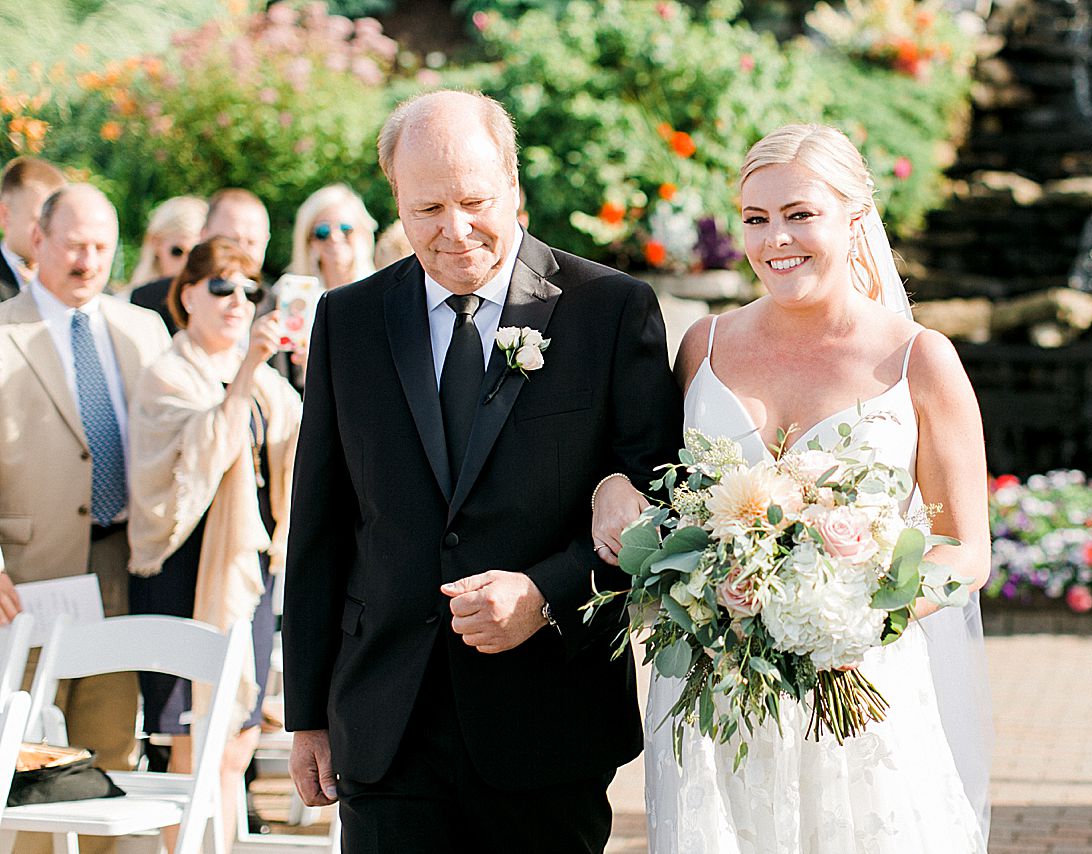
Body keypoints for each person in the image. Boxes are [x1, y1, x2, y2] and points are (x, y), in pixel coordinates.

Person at [282, 90, 682, 854]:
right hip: (385, 725)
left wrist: (545, 593)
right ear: (395, 201)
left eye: (475, 201)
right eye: (427, 207)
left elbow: (661, 506)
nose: (455, 231)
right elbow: (322, 527)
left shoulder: (610, 310)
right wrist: (307, 712)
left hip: (545, 721)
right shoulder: (349, 319)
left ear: (515, 188)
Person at [592, 124, 994, 851]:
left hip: (860, 690)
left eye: (800, 213)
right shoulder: (702, 347)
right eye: (756, 218)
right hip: (716, 698)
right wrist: (614, 492)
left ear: (855, 217)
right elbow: (661, 491)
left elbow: (966, 550)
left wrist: (856, 613)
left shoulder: (919, 361)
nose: (776, 238)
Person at [0, 184, 170, 854]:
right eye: (75, 245)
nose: (88, 260)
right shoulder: (3, 333)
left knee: (107, 755)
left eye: (102, 246)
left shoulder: (141, 329)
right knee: (29, 759)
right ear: (38, 239)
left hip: (121, 569)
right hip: (27, 581)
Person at [127, 236, 300, 852]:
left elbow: (304, 452)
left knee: (236, 744)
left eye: (250, 289)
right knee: (188, 749)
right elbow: (194, 463)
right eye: (222, 287)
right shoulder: (166, 373)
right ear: (187, 295)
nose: (238, 302)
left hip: (244, 571)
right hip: (181, 572)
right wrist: (251, 370)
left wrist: (306, 366)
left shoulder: (265, 379)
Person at [131, 188, 272, 334]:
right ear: (204, 236)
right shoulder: (150, 301)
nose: (241, 251)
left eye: (252, 242)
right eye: (232, 240)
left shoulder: (275, 307)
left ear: (266, 243)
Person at [285, 183, 376, 290]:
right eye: (323, 231)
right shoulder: (288, 291)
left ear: (362, 233)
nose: (335, 237)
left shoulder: (381, 289)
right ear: (308, 240)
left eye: (345, 229)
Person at [0, 156, 66, 300]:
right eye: (40, 221)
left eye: (55, 222)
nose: (49, 233)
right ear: (5, 216)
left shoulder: (72, 277)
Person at [127, 195, 207, 287]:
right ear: (156, 242)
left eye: (196, 256)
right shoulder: (126, 299)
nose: (186, 263)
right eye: (178, 252)